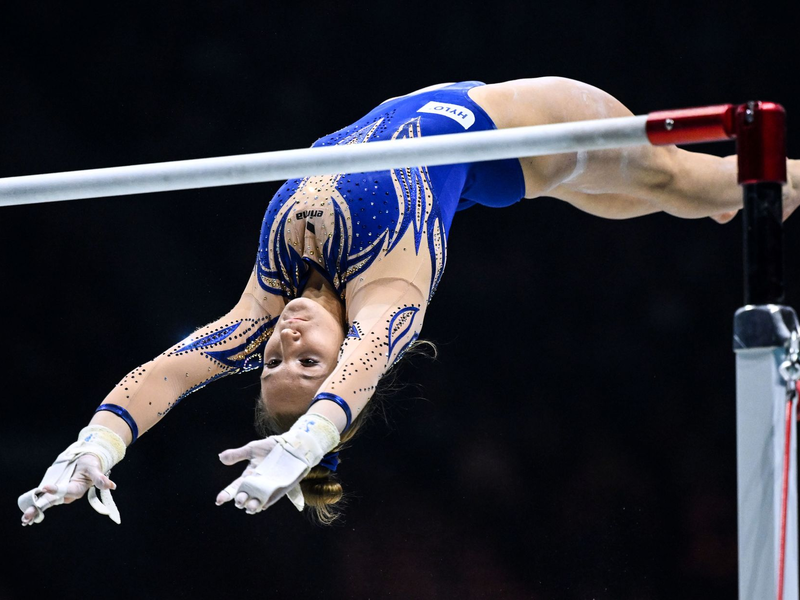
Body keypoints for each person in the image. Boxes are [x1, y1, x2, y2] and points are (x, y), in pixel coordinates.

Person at [18, 77, 800, 526]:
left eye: (275, 362)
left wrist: (95, 447)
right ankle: (765, 187)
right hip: (536, 133)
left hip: (486, 166)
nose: (286, 338)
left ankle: (742, 197)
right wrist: (306, 442)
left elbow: (170, 374)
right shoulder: (390, 290)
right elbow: (361, 365)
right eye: (308, 360)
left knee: (697, 195)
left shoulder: (263, 304)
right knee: (700, 184)